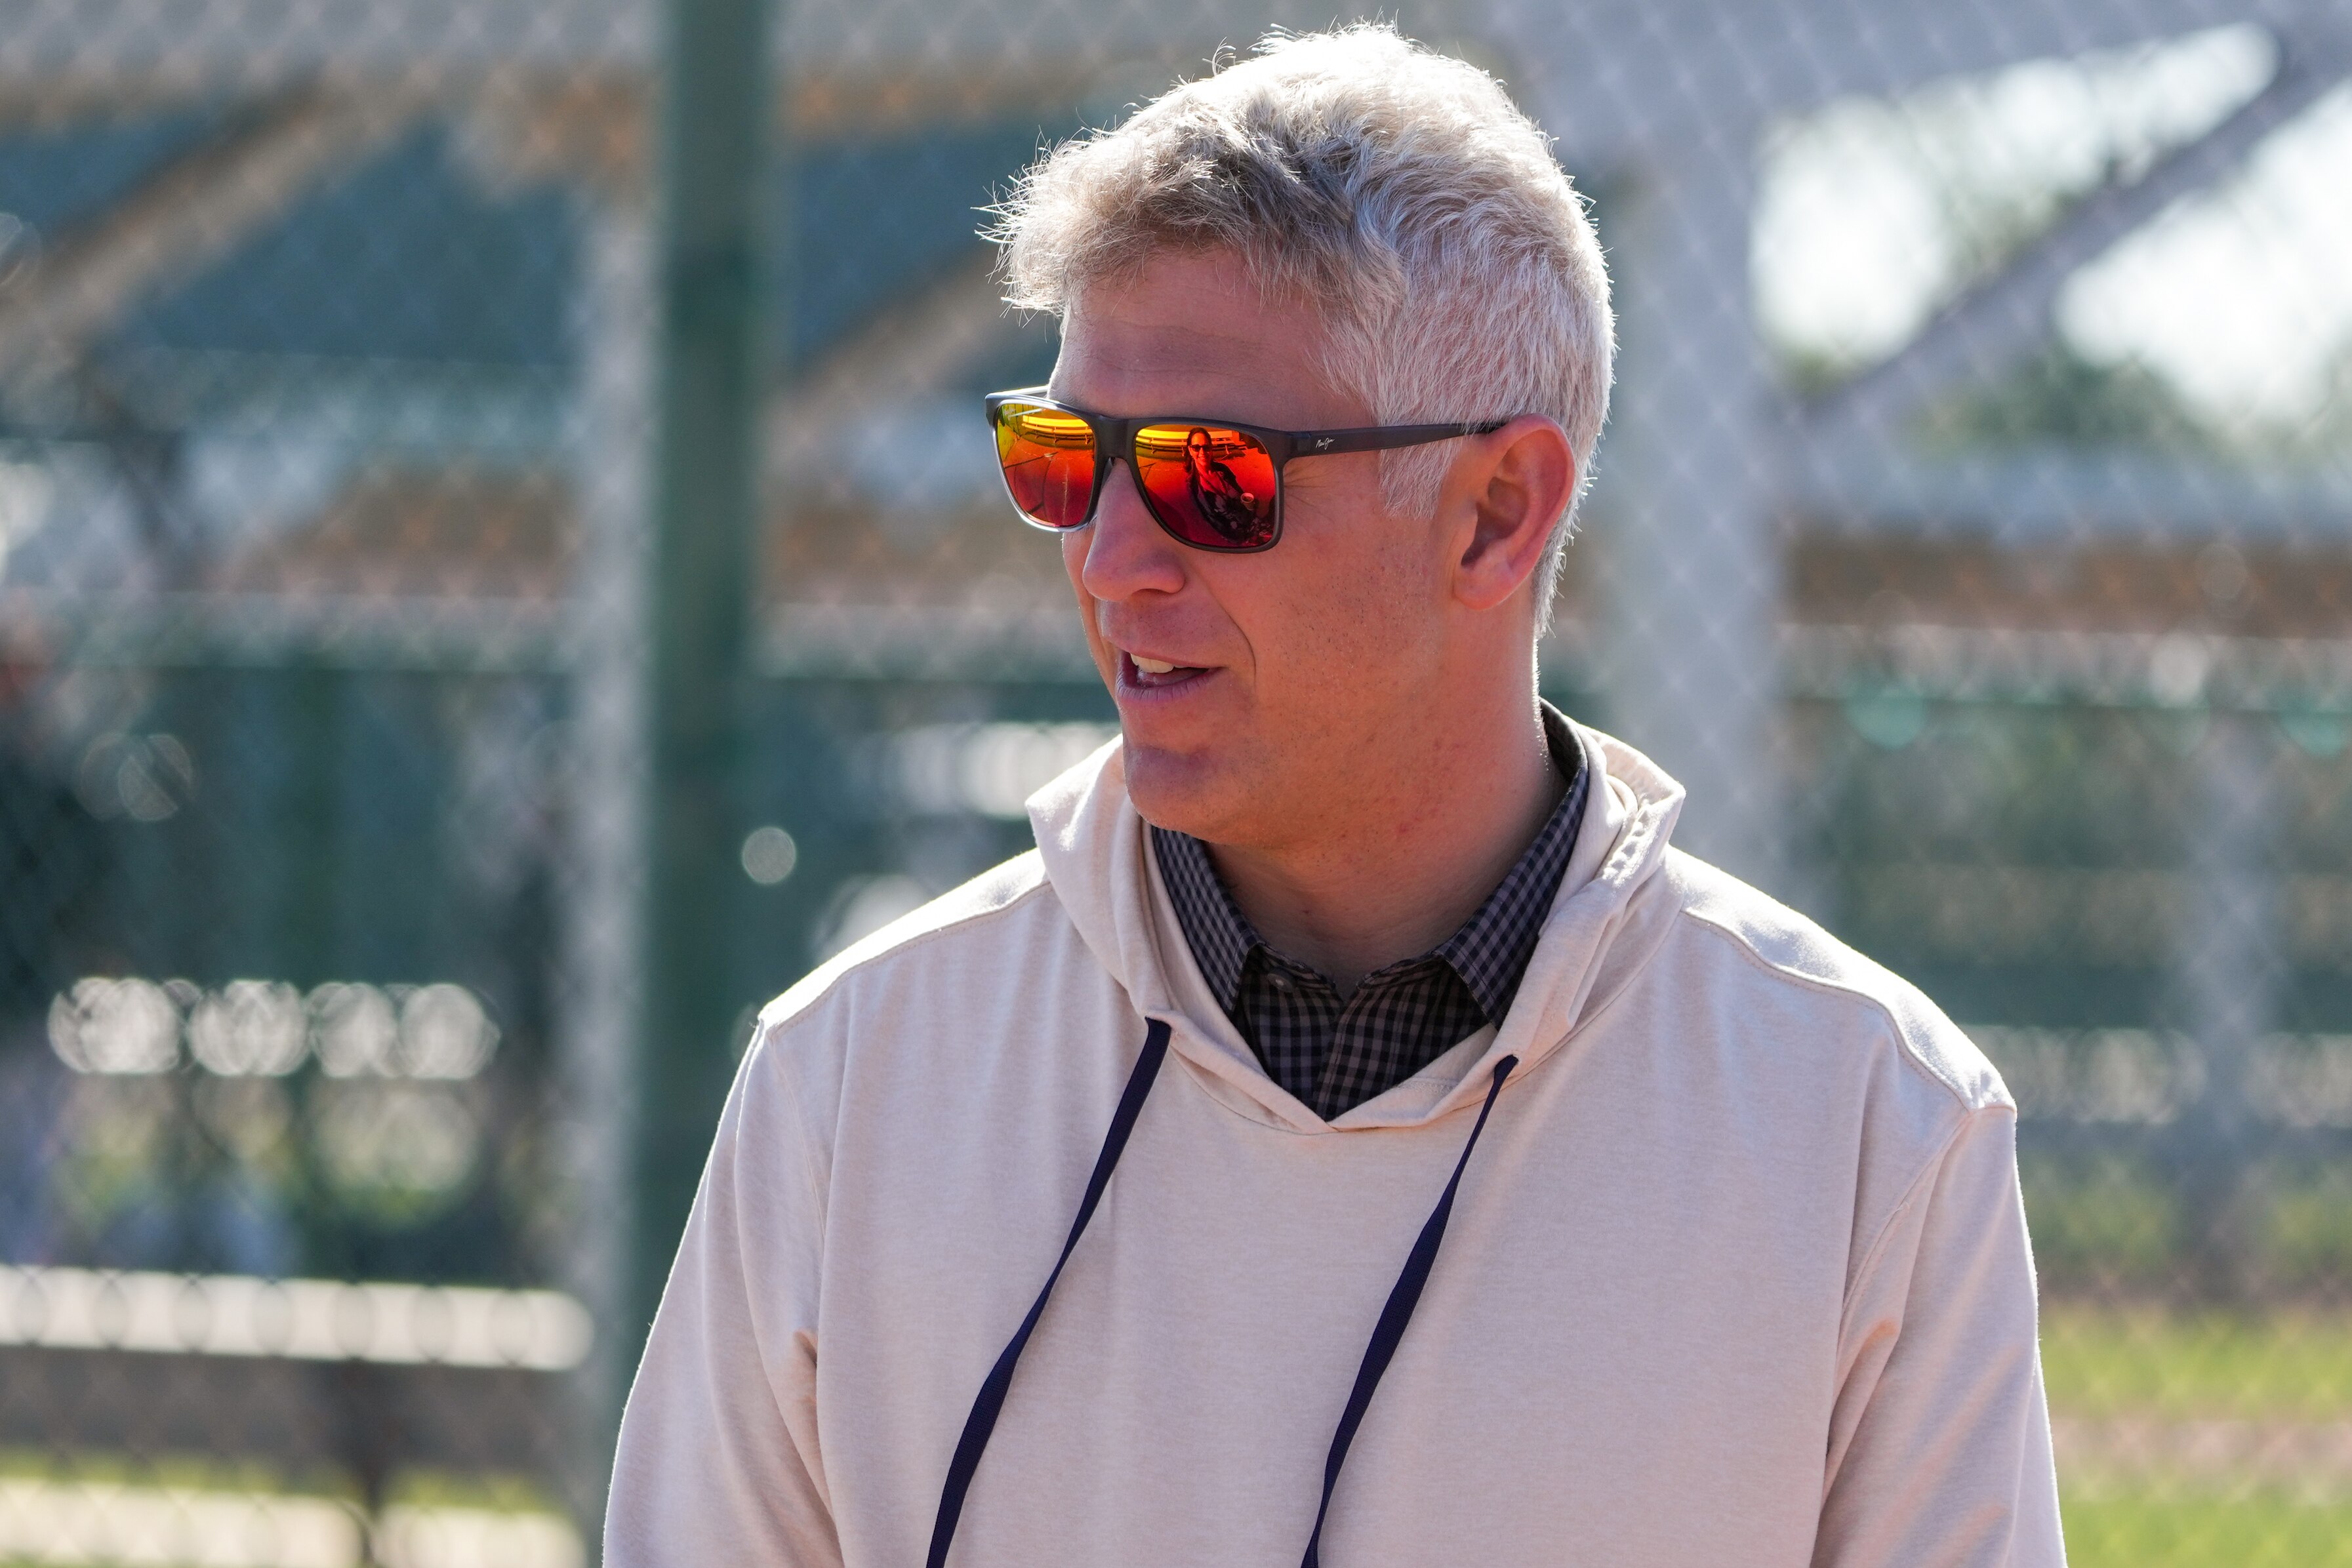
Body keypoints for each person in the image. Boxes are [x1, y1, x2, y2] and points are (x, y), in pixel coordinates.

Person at [607, 25, 2063, 1567]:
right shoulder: (853, 1079)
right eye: (1061, 458)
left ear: (1497, 512)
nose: (1108, 560)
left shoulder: (1868, 1127)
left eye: (1204, 475)